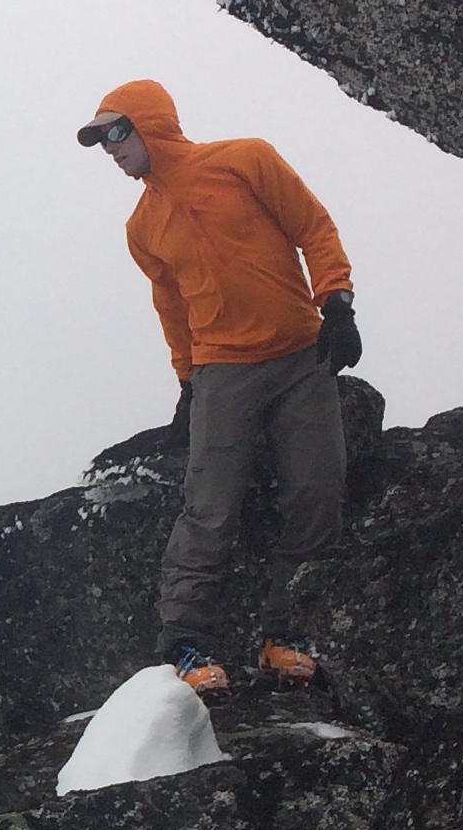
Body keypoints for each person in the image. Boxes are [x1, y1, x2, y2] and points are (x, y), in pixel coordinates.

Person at [78, 79, 361, 706]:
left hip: (302, 355)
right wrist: (186, 380)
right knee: (210, 506)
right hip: (221, 370)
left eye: (117, 132)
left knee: (316, 493)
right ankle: (185, 643)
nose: (110, 149)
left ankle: (286, 637)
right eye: (100, 140)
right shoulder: (142, 226)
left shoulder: (245, 159)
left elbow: (313, 226)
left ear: (151, 124)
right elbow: (171, 305)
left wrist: (337, 303)